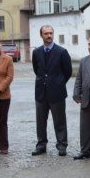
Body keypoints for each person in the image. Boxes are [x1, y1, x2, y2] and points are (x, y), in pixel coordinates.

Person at [32, 25, 72, 156]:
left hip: (57, 93)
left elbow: (68, 72)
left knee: (59, 121)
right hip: (41, 93)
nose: (49, 36)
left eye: (51, 33)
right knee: (40, 121)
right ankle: (41, 145)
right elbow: (36, 70)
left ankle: (62, 145)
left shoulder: (62, 52)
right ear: (41, 35)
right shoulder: (36, 52)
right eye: (46, 33)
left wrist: (58, 83)